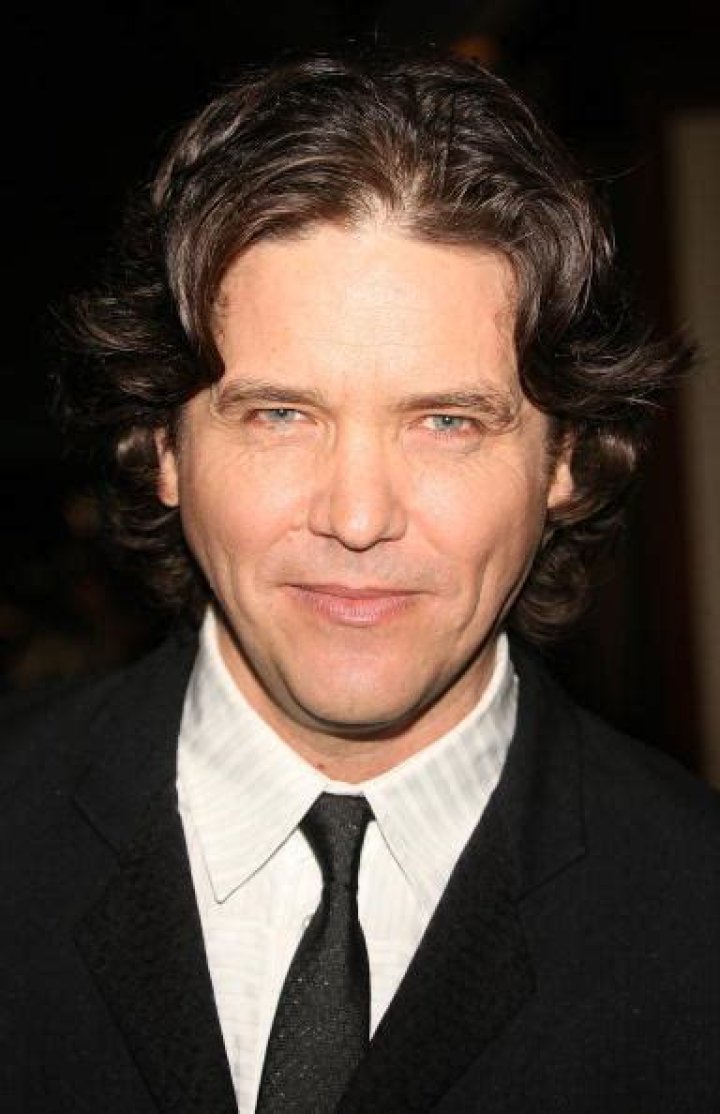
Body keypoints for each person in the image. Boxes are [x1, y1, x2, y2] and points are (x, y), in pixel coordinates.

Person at [2, 47, 719, 1114]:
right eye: (280, 414)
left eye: (447, 422)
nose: (356, 516)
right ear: (163, 446)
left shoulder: (697, 913)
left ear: (566, 460)